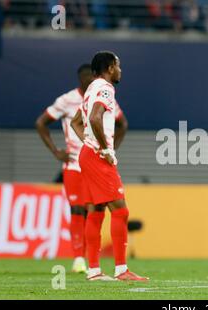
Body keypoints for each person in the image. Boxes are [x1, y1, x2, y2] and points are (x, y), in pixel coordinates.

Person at [35, 64, 128, 273]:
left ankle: (94, 267)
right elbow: (41, 122)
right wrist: (56, 151)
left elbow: (122, 123)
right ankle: (81, 260)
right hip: (75, 164)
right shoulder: (69, 99)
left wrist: (109, 149)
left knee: (95, 209)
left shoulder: (99, 95)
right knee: (80, 209)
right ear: (81, 79)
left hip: (92, 159)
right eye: (86, 77)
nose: (89, 80)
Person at [71, 51, 148, 282]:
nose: (120, 70)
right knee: (121, 211)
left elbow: (76, 121)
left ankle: (94, 271)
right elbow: (94, 119)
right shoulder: (105, 88)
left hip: (88, 154)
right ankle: (121, 270)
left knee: (95, 212)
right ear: (110, 67)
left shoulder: (90, 89)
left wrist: (88, 142)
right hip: (97, 156)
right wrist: (103, 147)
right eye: (119, 65)